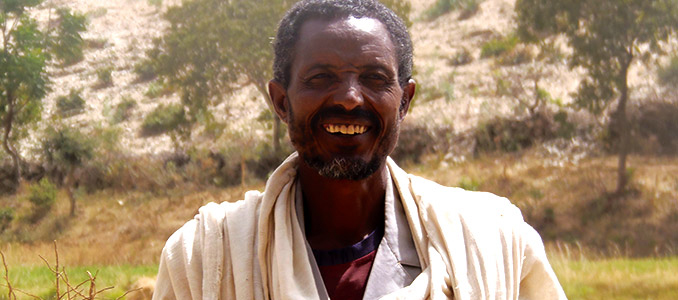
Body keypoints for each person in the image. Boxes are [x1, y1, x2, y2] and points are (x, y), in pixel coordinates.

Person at [152, 0, 567, 299]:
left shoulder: (492, 239)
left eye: (373, 77)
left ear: (404, 101)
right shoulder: (206, 256)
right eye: (320, 77)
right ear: (281, 102)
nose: (350, 98)